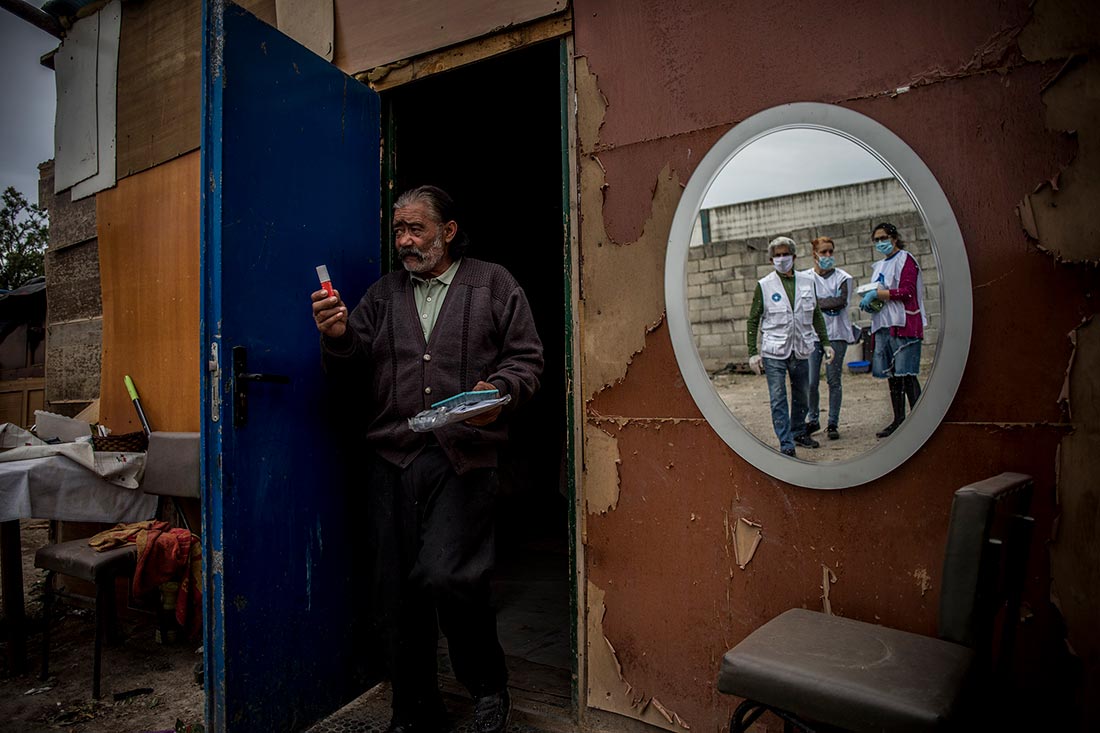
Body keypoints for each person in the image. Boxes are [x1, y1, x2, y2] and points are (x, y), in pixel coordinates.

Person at [311, 185, 544, 733]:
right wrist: (338, 336)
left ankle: (487, 686)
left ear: (449, 231)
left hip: (463, 456)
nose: (405, 241)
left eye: (416, 229)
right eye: (399, 231)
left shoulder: (493, 283)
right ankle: (414, 708)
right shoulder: (383, 295)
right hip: (393, 458)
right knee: (395, 591)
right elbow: (352, 367)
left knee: (450, 576)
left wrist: (500, 392)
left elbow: (527, 360)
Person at [746, 236, 833, 457]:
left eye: (786, 254)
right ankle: (786, 443)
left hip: (801, 348)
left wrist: (825, 342)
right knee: (778, 398)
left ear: (794, 257)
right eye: (777, 255)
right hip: (774, 351)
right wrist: (753, 353)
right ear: (771, 260)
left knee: (802, 395)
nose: (782, 258)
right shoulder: (764, 285)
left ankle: (798, 432)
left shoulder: (807, 281)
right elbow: (753, 319)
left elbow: (816, 314)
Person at [859, 221, 927, 438]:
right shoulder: (879, 266)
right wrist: (871, 302)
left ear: (894, 238)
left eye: (884, 238)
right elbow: (879, 291)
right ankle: (899, 419)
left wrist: (878, 295)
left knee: (907, 374)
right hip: (884, 326)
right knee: (893, 376)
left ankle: (921, 420)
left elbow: (907, 291)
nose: (880, 242)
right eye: (876, 240)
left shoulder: (906, 259)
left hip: (904, 324)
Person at [802, 236, 858, 441]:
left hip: (836, 334)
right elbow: (805, 304)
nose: (827, 255)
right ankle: (813, 418)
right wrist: (822, 303)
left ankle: (833, 422)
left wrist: (817, 303)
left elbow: (841, 301)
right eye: (823, 252)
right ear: (814, 254)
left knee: (834, 380)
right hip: (812, 336)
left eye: (830, 252)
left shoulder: (843, 278)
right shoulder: (805, 278)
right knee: (811, 381)